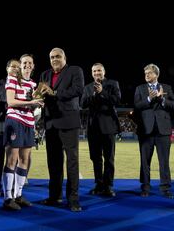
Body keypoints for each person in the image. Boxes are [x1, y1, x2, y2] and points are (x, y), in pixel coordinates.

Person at [39, 47, 84, 212]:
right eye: (51, 57)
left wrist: (55, 92)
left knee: (72, 161)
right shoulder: (45, 74)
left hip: (68, 121)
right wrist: (34, 96)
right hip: (51, 122)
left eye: (57, 56)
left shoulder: (74, 70)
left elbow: (78, 90)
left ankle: (73, 199)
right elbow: (40, 94)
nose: (54, 59)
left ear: (64, 57)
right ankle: (54, 196)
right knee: (54, 162)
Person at [2, 54, 44, 210]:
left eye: (30, 63)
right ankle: (7, 197)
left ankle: (18, 195)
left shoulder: (34, 85)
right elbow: (10, 102)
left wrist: (38, 104)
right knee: (12, 159)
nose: (27, 65)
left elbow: (32, 106)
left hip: (29, 122)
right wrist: (31, 102)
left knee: (24, 160)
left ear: (33, 66)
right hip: (14, 120)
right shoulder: (12, 79)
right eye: (24, 62)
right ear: (20, 65)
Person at [133, 64, 174, 199]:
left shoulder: (167, 88)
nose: (147, 75)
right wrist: (149, 99)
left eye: (150, 73)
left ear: (156, 75)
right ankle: (145, 187)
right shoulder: (140, 89)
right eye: (145, 73)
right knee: (145, 161)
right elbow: (136, 107)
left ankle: (165, 188)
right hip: (145, 130)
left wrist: (162, 99)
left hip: (163, 129)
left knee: (164, 161)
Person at [80, 63, 120, 197]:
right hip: (93, 127)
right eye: (95, 71)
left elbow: (116, 100)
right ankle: (99, 184)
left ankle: (108, 186)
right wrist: (93, 94)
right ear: (92, 73)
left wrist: (102, 92)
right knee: (95, 158)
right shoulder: (87, 88)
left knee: (109, 158)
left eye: (99, 71)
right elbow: (83, 104)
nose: (97, 73)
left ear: (104, 71)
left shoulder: (113, 84)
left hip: (108, 127)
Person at [0, 58, 21, 198]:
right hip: (1, 125)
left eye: (17, 67)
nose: (15, 69)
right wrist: (7, 105)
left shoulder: (21, 85)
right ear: (7, 68)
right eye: (13, 66)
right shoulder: (0, 84)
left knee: (14, 159)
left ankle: (12, 187)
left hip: (17, 126)